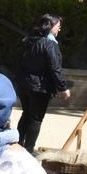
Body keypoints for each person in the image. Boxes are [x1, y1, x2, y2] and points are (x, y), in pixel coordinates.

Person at [16, 14, 71, 153]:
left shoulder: (28, 40)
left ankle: (17, 145)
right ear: (50, 27)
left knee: (26, 114)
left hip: (24, 84)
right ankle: (28, 150)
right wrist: (63, 88)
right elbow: (55, 68)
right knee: (35, 119)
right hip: (40, 87)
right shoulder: (49, 44)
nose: (59, 29)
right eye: (58, 26)